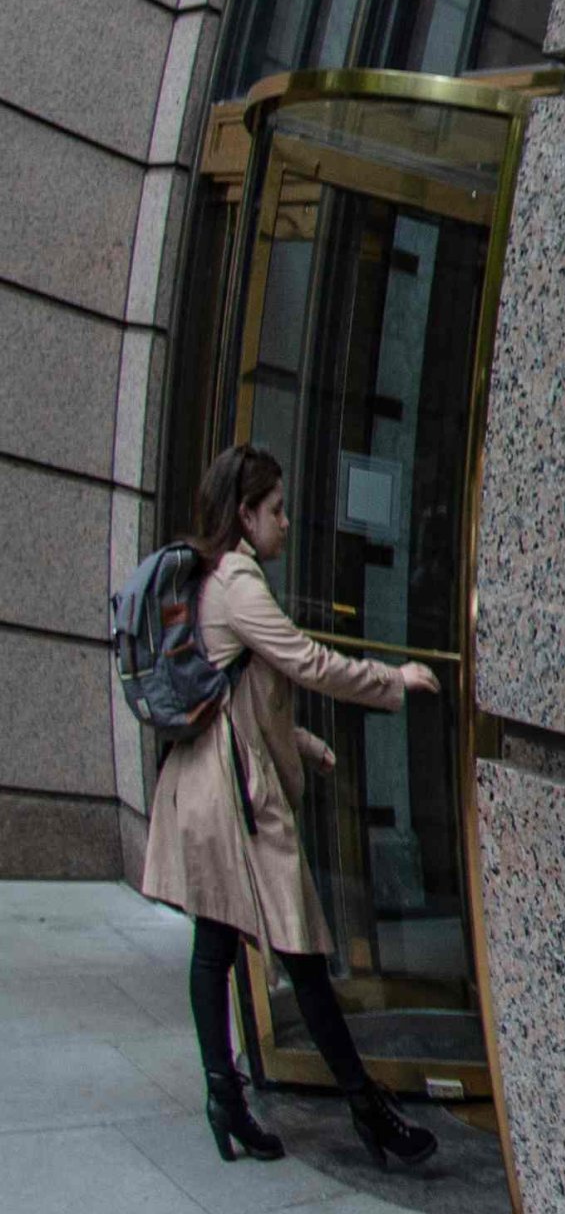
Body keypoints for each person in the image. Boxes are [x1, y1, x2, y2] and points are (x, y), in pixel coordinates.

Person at [144, 443, 444, 1168]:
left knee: (215, 950)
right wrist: (393, 680)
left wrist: (302, 743)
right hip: (231, 801)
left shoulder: (215, 580)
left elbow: (243, 692)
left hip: (209, 784)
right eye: (275, 509)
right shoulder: (240, 584)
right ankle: (367, 1108)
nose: (286, 520)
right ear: (246, 515)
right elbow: (307, 662)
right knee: (303, 952)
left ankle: (227, 1101)